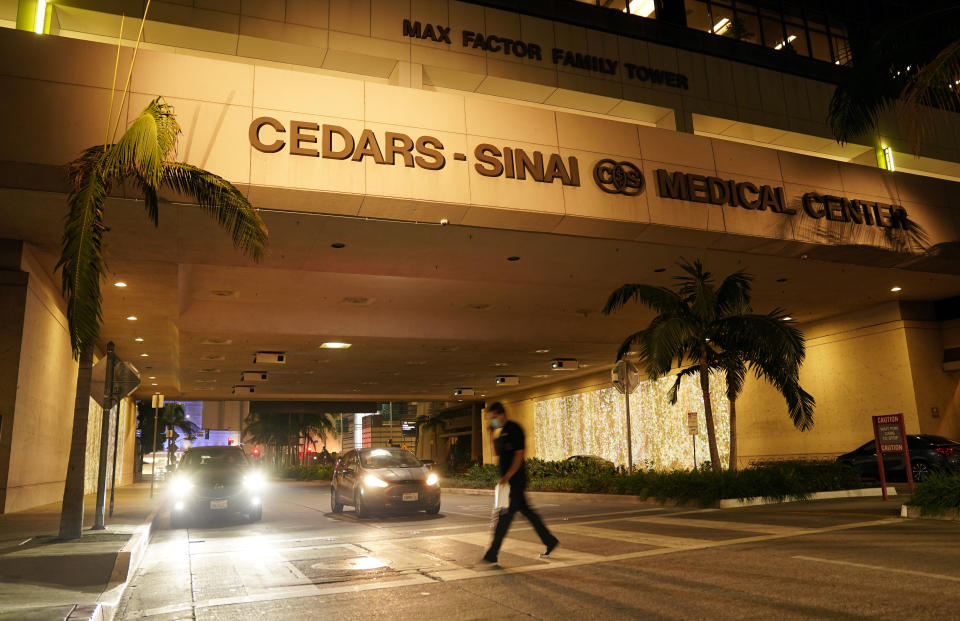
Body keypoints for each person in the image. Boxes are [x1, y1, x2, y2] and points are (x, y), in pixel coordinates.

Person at [483, 402, 558, 563]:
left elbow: (519, 456)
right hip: (507, 483)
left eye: (494, 417)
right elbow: (496, 453)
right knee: (527, 513)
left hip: (515, 482)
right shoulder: (502, 432)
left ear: (501, 414)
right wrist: (490, 434)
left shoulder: (515, 430)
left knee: (504, 517)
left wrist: (508, 476)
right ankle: (549, 540)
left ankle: (492, 553)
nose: (492, 420)